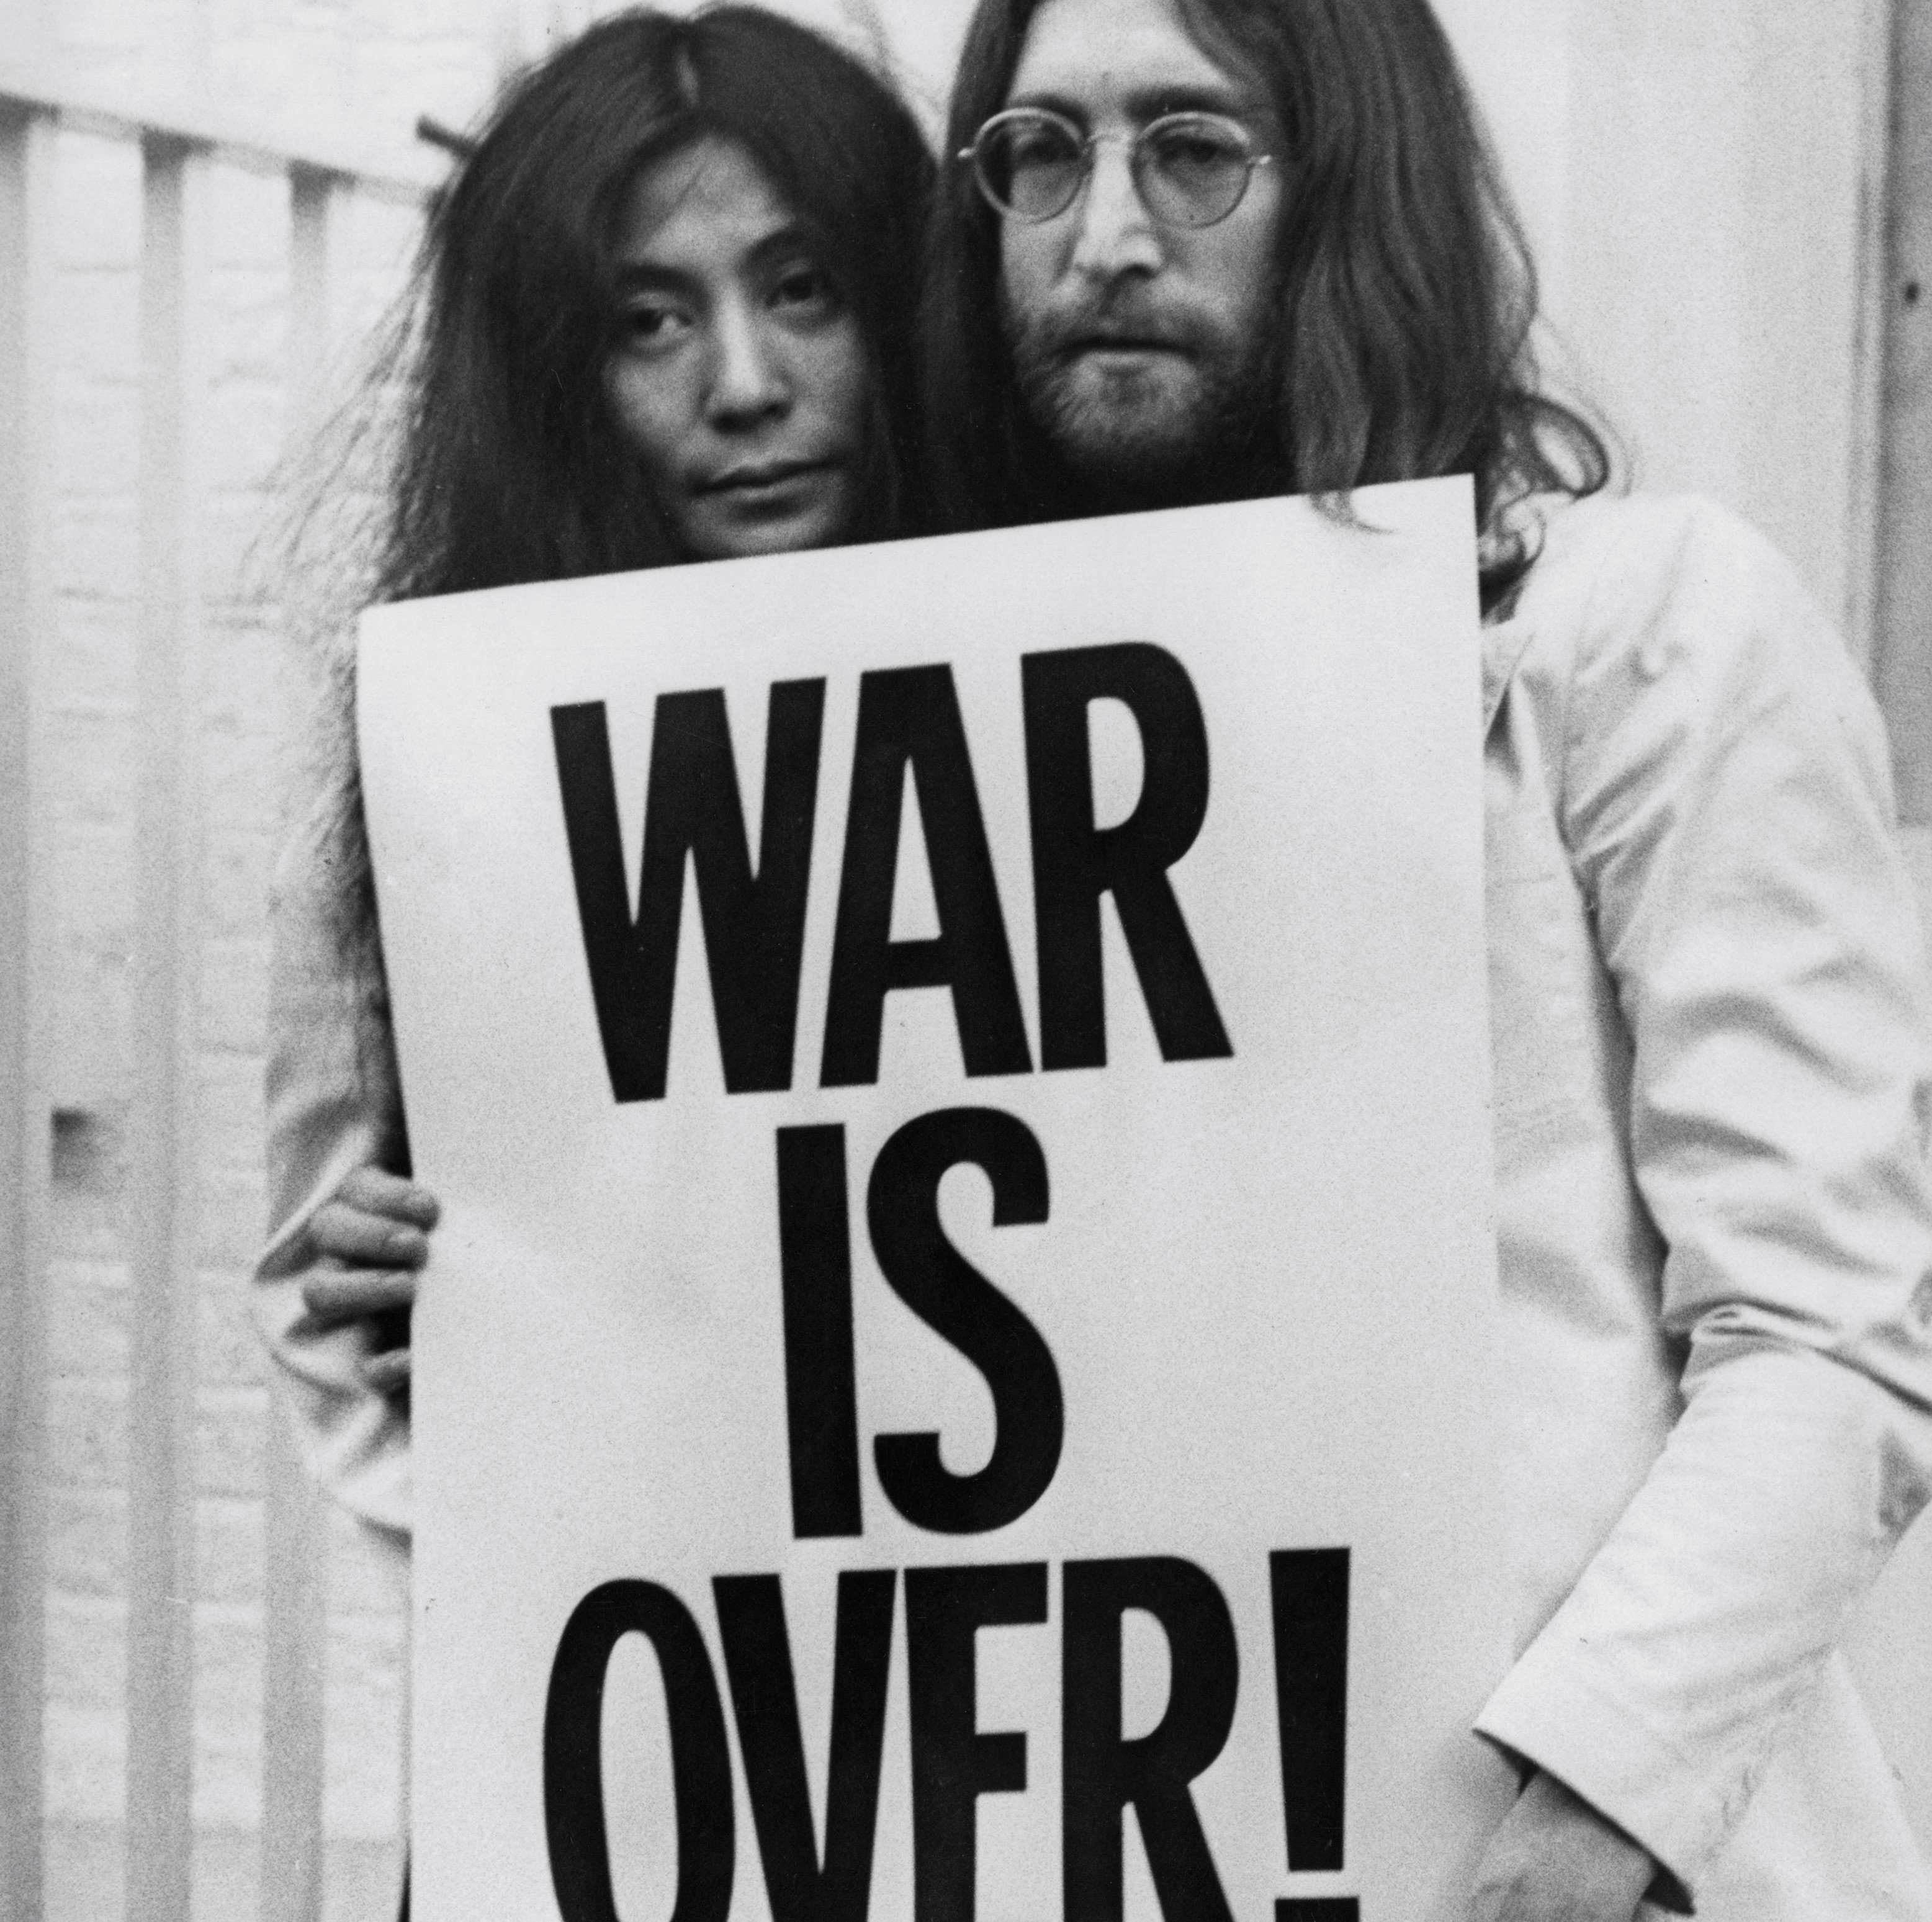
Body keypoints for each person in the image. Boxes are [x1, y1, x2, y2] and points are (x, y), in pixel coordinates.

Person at [923, 0, 1932, 1919]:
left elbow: (1823, 1336)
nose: (1104, 234)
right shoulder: (928, 741)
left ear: (1347, 188)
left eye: (1191, 150)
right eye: (1040, 153)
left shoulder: (1637, 626)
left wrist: (1589, 1815)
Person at [255, 2, 936, 1542]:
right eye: (652, 321)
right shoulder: (422, 790)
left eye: (804, 289)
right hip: (664, 1646)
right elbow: (330, 1326)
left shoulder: (1104, 687)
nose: (746, 383)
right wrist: (404, 1320)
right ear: (560, 378)